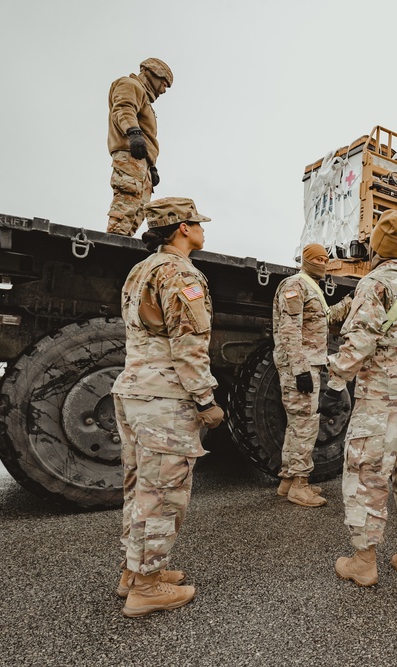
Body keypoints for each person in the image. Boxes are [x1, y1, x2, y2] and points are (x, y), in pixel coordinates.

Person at [112, 196, 224, 618]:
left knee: (140, 487)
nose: (201, 229)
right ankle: (147, 587)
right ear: (182, 228)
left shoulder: (141, 270)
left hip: (134, 390)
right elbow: (189, 343)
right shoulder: (181, 272)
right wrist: (206, 400)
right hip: (164, 398)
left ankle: (133, 570)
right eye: (197, 223)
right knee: (162, 494)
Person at [323, 211, 397, 587]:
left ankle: (363, 561)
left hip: (383, 392)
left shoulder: (376, 283)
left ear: (376, 244)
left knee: (367, 471)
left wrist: (335, 379)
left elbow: (359, 341)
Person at [272, 243, 352, 507]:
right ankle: (299, 485)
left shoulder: (312, 287)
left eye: (325, 258)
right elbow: (289, 329)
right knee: (305, 424)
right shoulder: (295, 285)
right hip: (301, 366)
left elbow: (325, 319)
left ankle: (287, 481)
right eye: (317, 258)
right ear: (305, 260)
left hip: (309, 364)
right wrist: (300, 369)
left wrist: (350, 301)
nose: (323, 262)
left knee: (298, 424)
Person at [106, 57, 174, 236]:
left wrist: (151, 166)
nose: (164, 90)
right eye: (164, 83)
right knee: (126, 205)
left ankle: (121, 242)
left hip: (141, 161)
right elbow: (123, 108)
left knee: (138, 210)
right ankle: (113, 246)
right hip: (130, 155)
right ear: (151, 73)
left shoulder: (145, 98)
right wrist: (133, 132)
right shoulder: (131, 85)